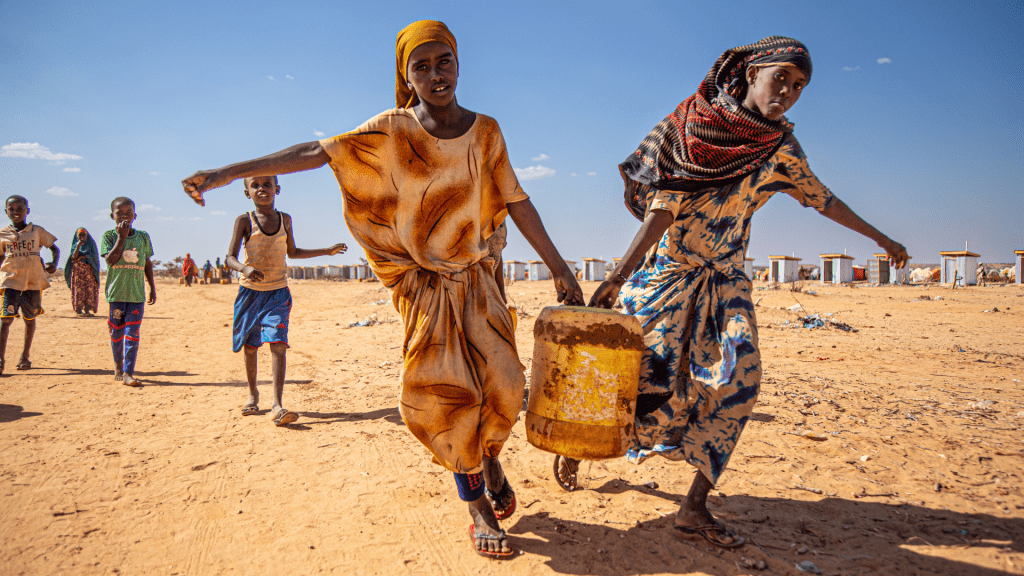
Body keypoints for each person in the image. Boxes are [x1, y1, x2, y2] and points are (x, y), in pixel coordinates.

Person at [182, 20, 583, 559]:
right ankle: (476, 505)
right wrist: (229, 172)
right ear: (406, 75)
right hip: (423, 286)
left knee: (506, 383)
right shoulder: (391, 131)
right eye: (422, 66)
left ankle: (488, 455)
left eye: (444, 62)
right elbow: (318, 150)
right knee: (448, 393)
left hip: (479, 279)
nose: (435, 74)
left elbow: (515, 199)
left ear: (459, 65)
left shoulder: (486, 131)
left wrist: (558, 266)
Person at [569, 37, 910, 549]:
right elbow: (662, 209)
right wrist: (619, 276)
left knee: (740, 381)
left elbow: (824, 200)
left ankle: (694, 507)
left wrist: (881, 238)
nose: (789, 93)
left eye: (799, 87)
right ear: (752, 74)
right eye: (781, 80)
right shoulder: (694, 128)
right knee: (638, 381)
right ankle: (578, 445)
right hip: (667, 277)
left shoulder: (781, 150)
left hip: (727, 283)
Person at [226, 175, 347, 426]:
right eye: (255, 185)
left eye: (267, 184)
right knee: (251, 346)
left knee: (278, 344)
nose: (262, 189)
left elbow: (292, 252)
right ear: (247, 193)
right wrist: (245, 269)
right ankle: (252, 393)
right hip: (250, 294)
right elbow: (229, 257)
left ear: (277, 189)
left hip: (278, 293)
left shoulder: (285, 219)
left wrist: (327, 251)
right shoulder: (244, 221)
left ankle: (277, 404)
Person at [101, 197, 157, 387]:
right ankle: (118, 365)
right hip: (116, 294)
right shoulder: (108, 236)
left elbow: (147, 263)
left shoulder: (143, 237)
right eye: (119, 213)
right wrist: (121, 237)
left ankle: (128, 372)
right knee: (116, 333)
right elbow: (111, 260)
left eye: (128, 212)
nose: (124, 216)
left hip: (136, 295)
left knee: (132, 333)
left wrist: (152, 287)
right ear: (112, 216)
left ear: (135, 215)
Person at [0, 195, 59, 373]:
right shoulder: (3, 234)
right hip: (11, 281)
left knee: (30, 318)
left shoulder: (37, 231)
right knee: (5, 320)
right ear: (6, 212)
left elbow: (54, 247)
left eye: (20, 208)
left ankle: (25, 356)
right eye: (12, 209)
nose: (16, 212)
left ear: (27, 211)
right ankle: (0, 360)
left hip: (33, 282)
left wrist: (53, 264)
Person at [64, 228, 100, 316]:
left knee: (89, 289)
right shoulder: (75, 245)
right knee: (78, 290)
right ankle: (79, 311)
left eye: (83, 235)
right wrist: (78, 246)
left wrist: (81, 258)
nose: (81, 237)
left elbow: (93, 256)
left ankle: (87, 310)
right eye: (80, 235)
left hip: (89, 271)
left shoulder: (91, 244)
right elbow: (73, 257)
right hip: (77, 272)